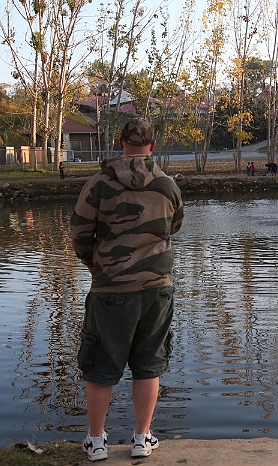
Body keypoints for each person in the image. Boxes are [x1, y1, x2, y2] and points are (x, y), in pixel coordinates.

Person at [70, 118, 184, 462]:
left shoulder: (99, 183)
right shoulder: (166, 184)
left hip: (110, 289)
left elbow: (79, 236)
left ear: (120, 143)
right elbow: (174, 226)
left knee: (102, 364)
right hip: (157, 289)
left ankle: (96, 441)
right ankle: (141, 437)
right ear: (152, 145)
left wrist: (99, 267)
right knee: (149, 364)